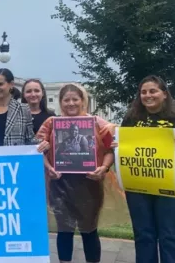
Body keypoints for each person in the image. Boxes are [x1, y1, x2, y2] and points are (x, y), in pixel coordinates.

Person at [116, 75, 175, 263]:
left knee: (170, 235)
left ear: (164, 93)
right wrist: (117, 146)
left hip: (174, 187)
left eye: (153, 91)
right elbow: (123, 144)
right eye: (143, 92)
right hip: (139, 186)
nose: (147, 95)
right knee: (144, 235)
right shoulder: (131, 117)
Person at [37, 83, 115, 263]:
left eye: (75, 99)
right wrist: (48, 166)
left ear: (83, 101)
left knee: (90, 230)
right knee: (64, 231)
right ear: (60, 102)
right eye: (66, 100)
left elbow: (111, 150)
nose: (70, 103)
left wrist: (103, 168)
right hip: (60, 184)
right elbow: (38, 151)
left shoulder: (97, 124)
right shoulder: (51, 124)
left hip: (90, 184)